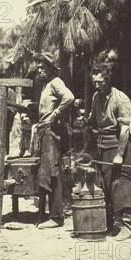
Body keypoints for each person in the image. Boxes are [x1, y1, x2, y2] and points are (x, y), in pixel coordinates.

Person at [86, 62, 131, 241]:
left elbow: (125, 129)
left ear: (108, 80)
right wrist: (83, 121)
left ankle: (127, 225)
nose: (97, 85)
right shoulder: (96, 97)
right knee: (105, 185)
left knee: (123, 183)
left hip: (119, 145)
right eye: (94, 82)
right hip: (103, 146)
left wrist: (119, 154)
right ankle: (109, 224)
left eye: (100, 82)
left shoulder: (121, 99)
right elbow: (93, 120)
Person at [32, 52, 74, 229]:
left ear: (50, 68)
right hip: (44, 131)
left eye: (43, 66)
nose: (40, 69)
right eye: (38, 66)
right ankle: (46, 214)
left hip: (52, 132)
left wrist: (56, 114)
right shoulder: (45, 85)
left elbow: (69, 97)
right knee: (45, 172)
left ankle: (57, 217)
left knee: (53, 172)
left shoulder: (56, 82)